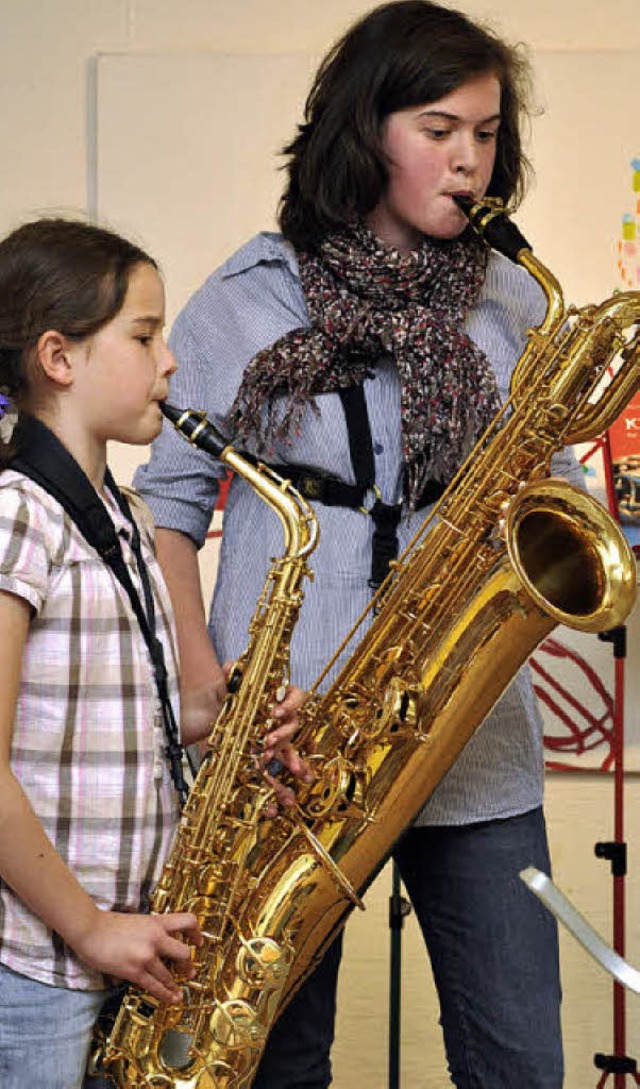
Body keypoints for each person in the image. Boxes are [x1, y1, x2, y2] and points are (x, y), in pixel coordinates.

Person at [134, 2, 583, 1086]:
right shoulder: (246, 300)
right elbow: (169, 511)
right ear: (363, 128)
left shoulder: (514, 302)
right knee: (274, 1056)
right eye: (439, 129)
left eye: (485, 133)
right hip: (285, 750)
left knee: (519, 1058)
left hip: (467, 735)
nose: (470, 160)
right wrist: (207, 689)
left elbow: (559, 500)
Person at [0, 217, 301, 1089]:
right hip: (39, 959)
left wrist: (226, 708)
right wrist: (89, 925)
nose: (171, 361)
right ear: (59, 357)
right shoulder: (21, 513)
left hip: (124, 945)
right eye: (144, 334)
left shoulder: (125, 518)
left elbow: (136, 713)